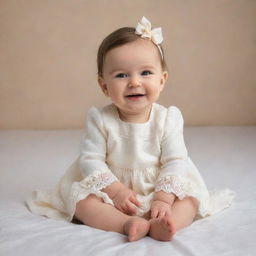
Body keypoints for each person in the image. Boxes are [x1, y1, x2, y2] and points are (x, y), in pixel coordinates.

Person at [27, 16, 235, 242]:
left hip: (160, 186)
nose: (134, 82)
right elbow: (90, 160)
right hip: (112, 189)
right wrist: (115, 192)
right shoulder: (100, 118)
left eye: (145, 73)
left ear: (162, 80)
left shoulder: (168, 118)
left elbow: (176, 161)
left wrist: (164, 199)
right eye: (122, 75)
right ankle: (126, 223)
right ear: (104, 85)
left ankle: (165, 223)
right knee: (82, 202)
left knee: (190, 200)